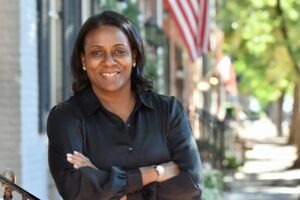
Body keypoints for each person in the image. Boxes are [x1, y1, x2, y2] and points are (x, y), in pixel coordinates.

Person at [47, 10, 202, 200]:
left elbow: (191, 185)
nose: (109, 62)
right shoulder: (66, 118)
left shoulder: (168, 111)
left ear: (134, 56)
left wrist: (111, 186)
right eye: (97, 53)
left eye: (119, 51)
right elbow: (77, 190)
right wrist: (155, 172)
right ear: (83, 60)